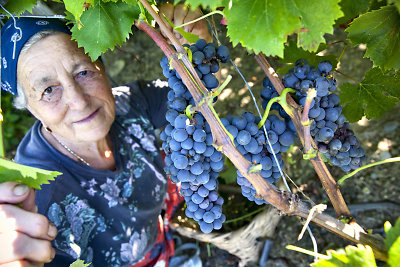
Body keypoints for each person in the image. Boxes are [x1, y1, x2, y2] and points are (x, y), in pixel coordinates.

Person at [0, 3, 210, 266]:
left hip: (159, 239)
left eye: (83, 72)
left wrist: (198, 52)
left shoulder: (132, 103)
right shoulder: (37, 197)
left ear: (102, 68)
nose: (78, 100)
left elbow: (196, 102)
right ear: (31, 109)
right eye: (49, 90)